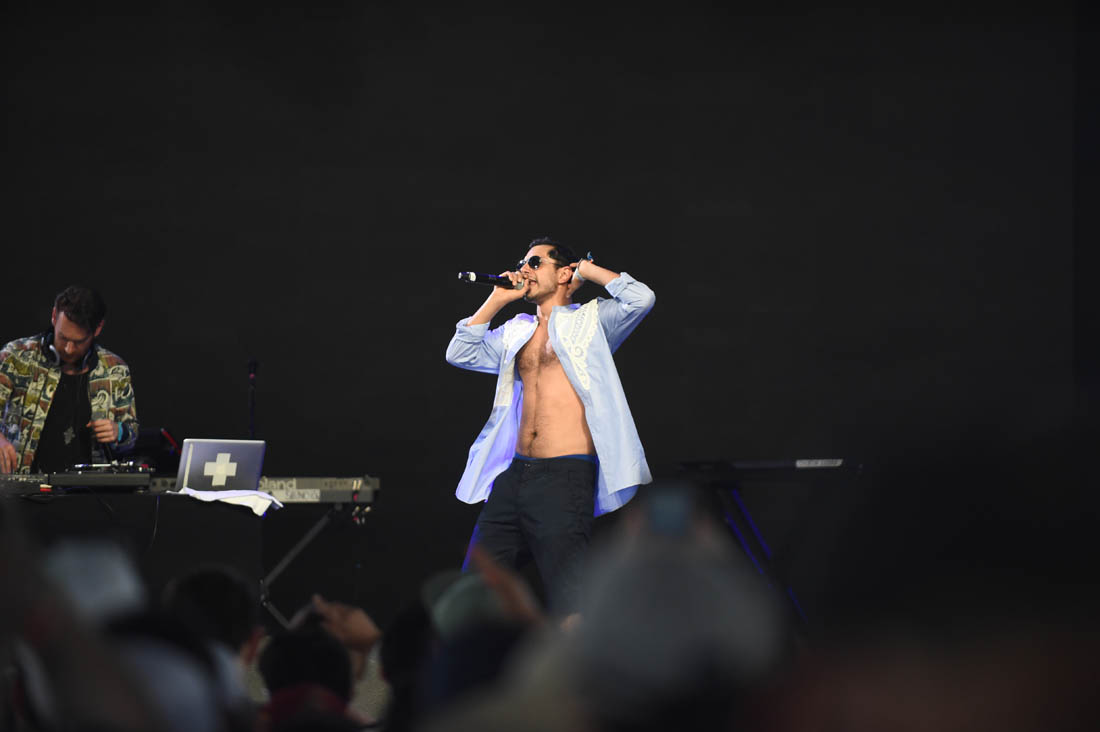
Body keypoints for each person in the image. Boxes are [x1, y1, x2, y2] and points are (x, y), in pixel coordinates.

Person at [445, 236, 655, 620]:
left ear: (562, 274)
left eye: (535, 263)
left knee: (570, 600)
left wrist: (586, 271)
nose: (524, 269)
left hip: (564, 476)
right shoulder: (517, 330)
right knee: (472, 595)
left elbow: (641, 299)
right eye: (521, 263)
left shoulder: (592, 320)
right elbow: (461, 352)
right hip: (514, 476)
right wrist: (497, 299)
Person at [0, 285, 138, 473]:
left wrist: (119, 432)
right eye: (63, 338)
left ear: (98, 328)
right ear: (54, 316)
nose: (69, 349)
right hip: (24, 488)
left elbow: (132, 436)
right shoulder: (15, 357)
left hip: (90, 489)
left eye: (79, 342)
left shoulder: (115, 369)